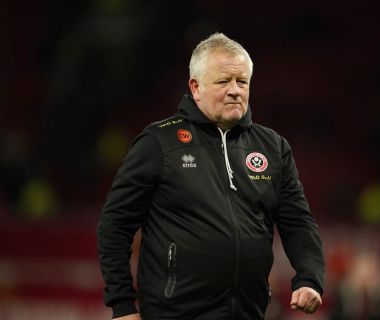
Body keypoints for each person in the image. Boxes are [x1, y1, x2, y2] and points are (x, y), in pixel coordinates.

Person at [97, 32, 325, 320]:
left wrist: (309, 276)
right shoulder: (159, 143)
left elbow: (298, 222)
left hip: (248, 313)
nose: (235, 90)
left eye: (242, 81)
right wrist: (122, 306)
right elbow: (114, 226)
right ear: (196, 87)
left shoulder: (273, 147)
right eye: (223, 81)